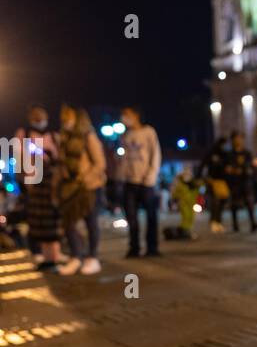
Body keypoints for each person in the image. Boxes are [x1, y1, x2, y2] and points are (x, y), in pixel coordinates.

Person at [56, 107, 106, 275]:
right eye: (63, 118)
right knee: (68, 222)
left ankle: (93, 258)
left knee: (91, 222)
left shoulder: (88, 135)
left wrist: (85, 179)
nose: (65, 121)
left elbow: (100, 163)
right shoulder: (64, 137)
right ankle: (76, 256)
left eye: (68, 117)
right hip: (69, 187)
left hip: (89, 186)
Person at [14, 106, 62, 267]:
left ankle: (54, 254)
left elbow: (59, 158)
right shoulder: (24, 134)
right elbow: (18, 158)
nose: (40, 122)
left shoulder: (54, 135)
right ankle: (38, 253)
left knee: (52, 219)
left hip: (50, 183)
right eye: (36, 118)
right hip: (33, 182)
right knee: (35, 219)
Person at [117, 105, 162, 257]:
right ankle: (134, 248)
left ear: (136, 115)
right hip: (129, 182)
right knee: (131, 216)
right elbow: (123, 158)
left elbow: (155, 154)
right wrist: (121, 176)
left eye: (127, 114)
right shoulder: (125, 135)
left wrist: (151, 175)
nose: (124, 118)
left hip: (145, 182)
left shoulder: (148, 132)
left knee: (151, 216)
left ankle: (152, 247)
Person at [225, 131, 257, 233]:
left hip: (246, 181)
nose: (238, 141)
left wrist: (247, 170)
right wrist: (234, 170)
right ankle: (235, 225)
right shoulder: (230, 154)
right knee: (234, 204)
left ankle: (253, 223)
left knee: (249, 202)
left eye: (240, 138)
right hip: (235, 182)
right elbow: (227, 168)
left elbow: (250, 166)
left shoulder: (246, 153)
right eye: (236, 138)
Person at [170, 166, 199, 238]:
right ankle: (185, 232)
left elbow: (196, 193)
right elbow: (175, 193)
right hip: (184, 204)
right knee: (186, 218)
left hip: (191, 203)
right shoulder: (180, 183)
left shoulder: (192, 184)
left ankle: (187, 232)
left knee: (190, 218)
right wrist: (175, 199)